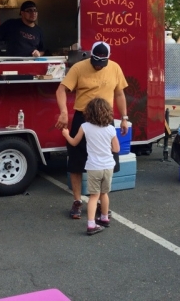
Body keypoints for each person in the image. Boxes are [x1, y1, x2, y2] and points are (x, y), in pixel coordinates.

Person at [55, 41, 129, 220]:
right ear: (91, 56)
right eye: (95, 62)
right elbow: (61, 90)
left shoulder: (115, 68)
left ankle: (101, 202)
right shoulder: (79, 68)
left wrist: (124, 118)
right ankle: (77, 201)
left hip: (105, 120)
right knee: (76, 161)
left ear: (109, 58)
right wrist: (63, 112)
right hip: (83, 117)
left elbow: (119, 94)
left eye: (102, 63)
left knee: (106, 162)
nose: (98, 66)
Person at [62, 98, 119, 235]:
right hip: (108, 166)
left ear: (88, 113)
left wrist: (66, 134)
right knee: (104, 194)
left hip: (94, 167)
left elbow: (74, 143)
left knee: (94, 196)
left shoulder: (85, 127)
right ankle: (104, 218)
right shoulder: (111, 129)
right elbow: (116, 149)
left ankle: (91, 224)